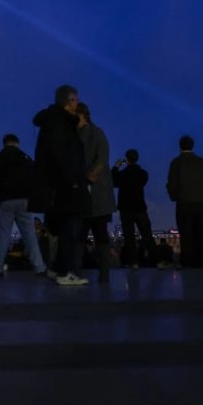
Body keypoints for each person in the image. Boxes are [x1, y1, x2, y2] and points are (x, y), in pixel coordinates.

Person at [32, 85, 89, 286]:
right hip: (66, 185)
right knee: (70, 228)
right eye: (74, 100)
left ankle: (58, 269)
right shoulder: (60, 124)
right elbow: (63, 156)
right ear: (67, 101)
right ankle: (64, 271)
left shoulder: (53, 122)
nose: (77, 103)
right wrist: (72, 180)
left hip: (57, 185)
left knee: (66, 227)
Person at [0, 134, 46, 275]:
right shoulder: (25, 159)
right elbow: (35, 180)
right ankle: (39, 267)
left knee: (3, 236)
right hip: (24, 200)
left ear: (4, 144)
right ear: (17, 143)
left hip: (5, 201)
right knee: (30, 235)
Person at [75, 103, 116, 284]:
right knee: (96, 234)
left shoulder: (94, 133)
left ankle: (83, 271)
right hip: (95, 193)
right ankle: (102, 273)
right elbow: (103, 159)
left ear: (83, 115)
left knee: (85, 234)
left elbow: (102, 159)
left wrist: (88, 177)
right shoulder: (95, 133)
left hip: (91, 192)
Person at [166, 135, 203, 268]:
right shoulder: (201, 162)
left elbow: (171, 183)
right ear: (192, 146)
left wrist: (175, 197)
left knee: (186, 234)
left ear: (180, 146)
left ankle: (187, 261)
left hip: (183, 203)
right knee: (201, 233)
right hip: (200, 203)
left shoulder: (176, 162)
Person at [113, 149, 154, 269]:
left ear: (127, 159)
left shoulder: (122, 174)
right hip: (140, 207)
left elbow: (114, 182)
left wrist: (116, 167)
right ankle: (156, 260)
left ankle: (133, 262)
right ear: (137, 158)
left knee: (129, 236)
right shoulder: (143, 174)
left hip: (125, 208)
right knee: (146, 234)